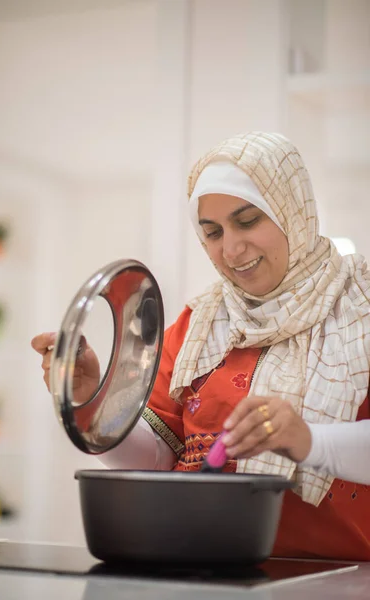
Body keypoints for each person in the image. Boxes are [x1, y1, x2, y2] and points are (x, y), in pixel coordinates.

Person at [32, 131, 370, 561]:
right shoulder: (200, 324)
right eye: (212, 232)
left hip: (339, 581)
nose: (231, 248)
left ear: (292, 212)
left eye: (248, 221)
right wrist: (92, 399)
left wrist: (309, 441)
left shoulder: (361, 307)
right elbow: (159, 461)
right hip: (206, 571)